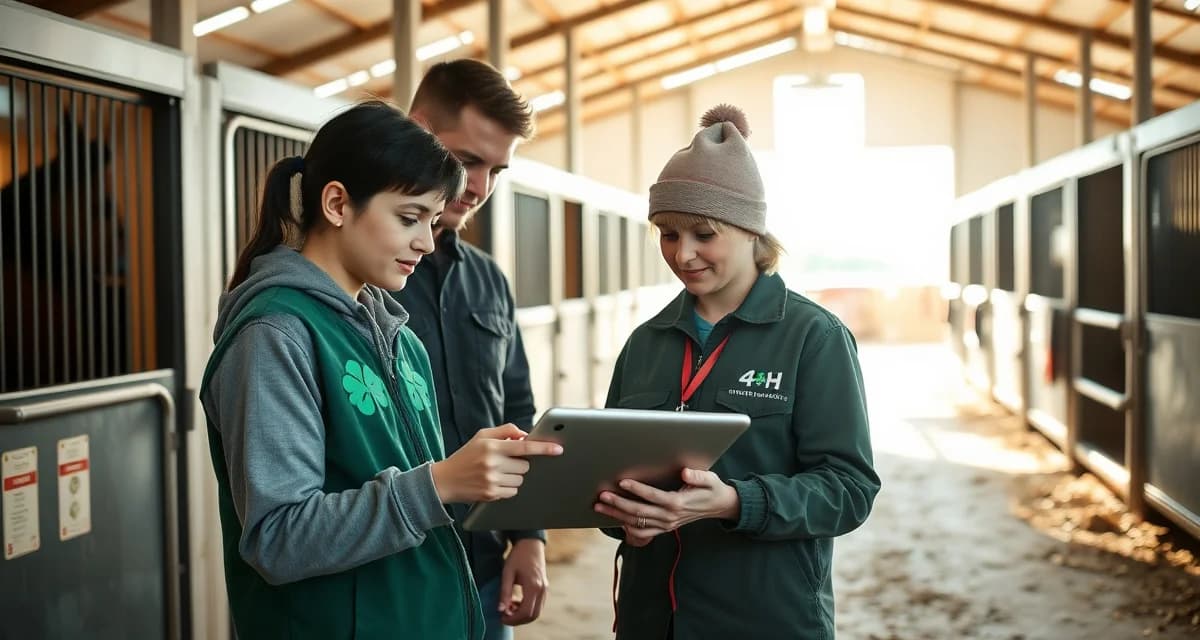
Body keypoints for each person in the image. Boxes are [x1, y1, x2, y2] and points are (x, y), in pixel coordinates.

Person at [200, 101, 562, 640]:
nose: (427, 241)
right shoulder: (276, 336)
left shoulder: (401, 340)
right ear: (338, 203)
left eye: (434, 222)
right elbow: (277, 537)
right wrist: (439, 485)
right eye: (409, 217)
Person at [593, 104, 881, 639]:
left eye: (704, 233)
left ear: (751, 230)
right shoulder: (646, 343)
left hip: (765, 620)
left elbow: (849, 488)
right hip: (654, 620)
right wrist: (623, 519)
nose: (683, 255)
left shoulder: (812, 338)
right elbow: (609, 477)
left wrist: (734, 502)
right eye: (668, 234)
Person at [393, 59, 544, 640]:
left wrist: (529, 535)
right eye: (466, 161)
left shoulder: (489, 280)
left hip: (482, 575)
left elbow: (517, 414)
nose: (479, 188)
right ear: (416, 129)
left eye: (497, 170)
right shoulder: (363, 277)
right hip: (393, 576)